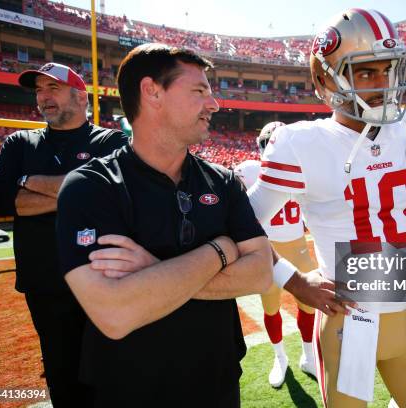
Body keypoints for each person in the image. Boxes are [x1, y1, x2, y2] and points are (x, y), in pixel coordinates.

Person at [245, 9, 406, 407]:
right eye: (365, 72)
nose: (382, 84)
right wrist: (294, 280)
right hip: (349, 320)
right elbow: (243, 223)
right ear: (326, 79)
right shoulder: (299, 143)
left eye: (388, 70)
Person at [55, 43, 272, 407]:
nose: (214, 104)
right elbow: (115, 313)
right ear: (152, 92)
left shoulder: (223, 181)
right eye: (200, 91)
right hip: (129, 388)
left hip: (216, 382)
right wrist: (221, 250)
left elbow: (261, 272)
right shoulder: (89, 186)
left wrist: (154, 273)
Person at [0, 62, 128, 407]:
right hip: (44, 281)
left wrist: (26, 181)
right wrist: (78, 189)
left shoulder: (111, 139)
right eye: (39, 91)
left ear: (80, 96)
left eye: (53, 89)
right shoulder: (20, 142)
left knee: (111, 373)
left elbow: (110, 196)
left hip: (103, 277)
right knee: (63, 377)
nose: (44, 98)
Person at [235, 121, 318, 388]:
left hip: (299, 250)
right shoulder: (249, 170)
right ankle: (280, 357)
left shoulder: (303, 169)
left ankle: (308, 356)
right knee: (271, 310)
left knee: (308, 306)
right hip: (268, 254)